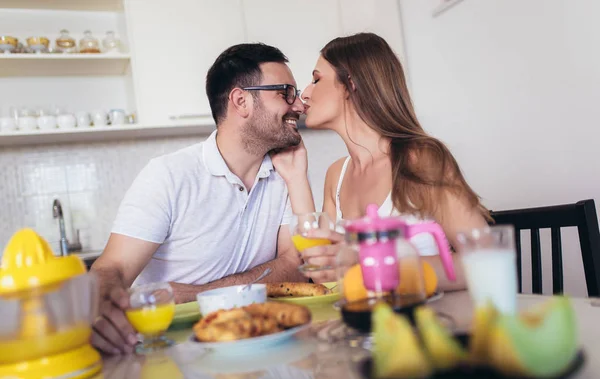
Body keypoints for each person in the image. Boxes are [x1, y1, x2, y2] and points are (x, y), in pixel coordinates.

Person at [90, 43, 307, 355]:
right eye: (286, 93)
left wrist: (196, 294)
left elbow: (293, 265)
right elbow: (113, 268)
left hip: (258, 341)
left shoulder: (284, 173)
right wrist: (102, 308)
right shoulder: (169, 175)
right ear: (241, 100)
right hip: (171, 355)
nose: (299, 104)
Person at [272, 32, 492, 290]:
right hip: (365, 324)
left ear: (351, 83)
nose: (305, 94)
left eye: (316, 80)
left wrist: (369, 262)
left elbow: (486, 261)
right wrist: (296, 178)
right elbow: (325, 274)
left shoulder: (420, 159)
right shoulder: (337, 175)